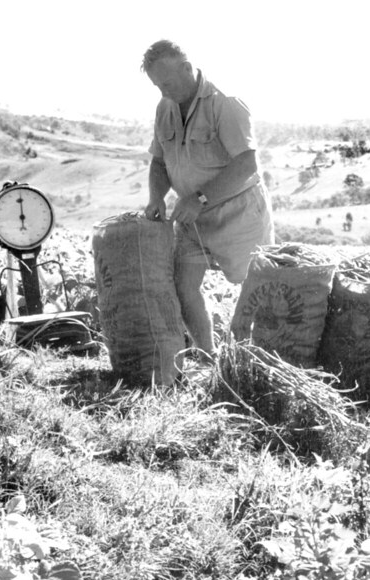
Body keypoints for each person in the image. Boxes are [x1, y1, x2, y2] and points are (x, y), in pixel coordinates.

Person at [141, 39, 274, 356]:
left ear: (187, 68)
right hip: (192, 216)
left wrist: (199, 198)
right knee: (183, 285)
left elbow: (246, 163)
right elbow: (159, 162)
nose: (163, 92)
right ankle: (207, 356)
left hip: (238, 214)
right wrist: (156, 197)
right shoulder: (165, 107)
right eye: (158, 86)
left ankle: (250, 363)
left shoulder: (224, 102)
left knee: (255, 291)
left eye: (168, 83)